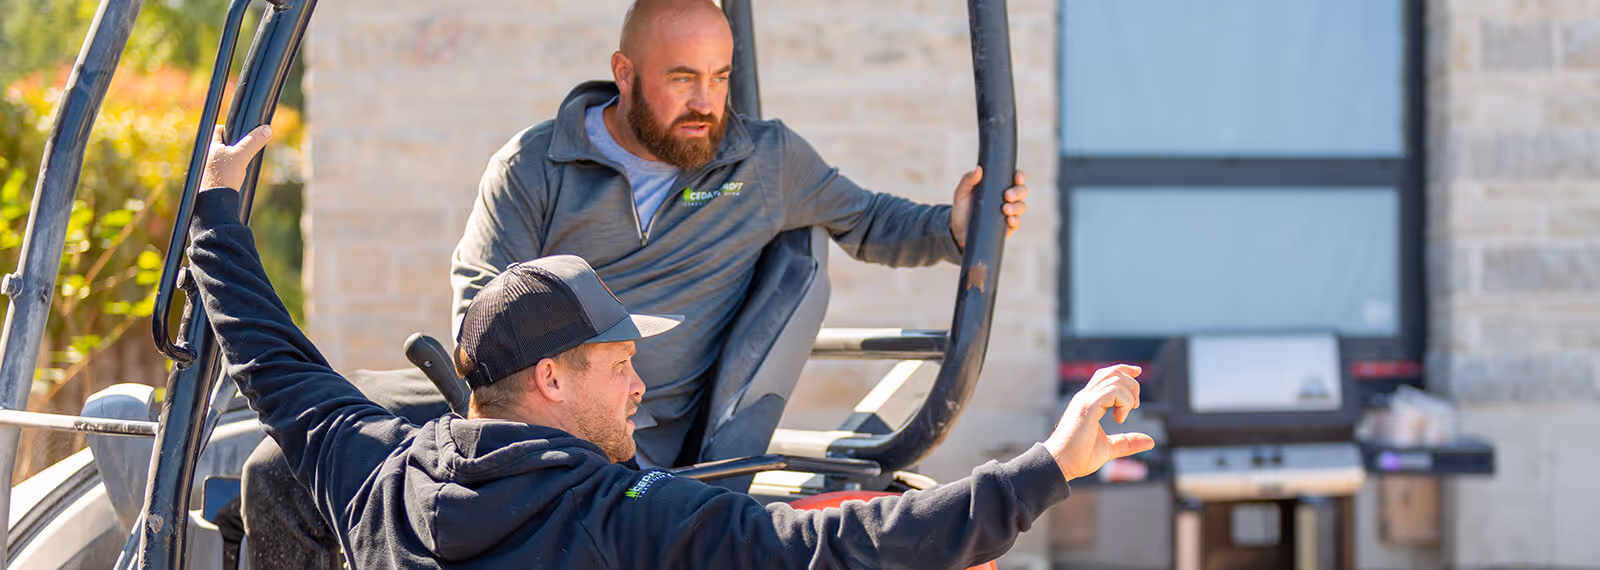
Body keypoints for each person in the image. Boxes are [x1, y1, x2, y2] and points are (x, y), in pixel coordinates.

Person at [244, 0, 1032, 565]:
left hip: (624, 431)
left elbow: (872, 220)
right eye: (683, 77)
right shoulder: (534, 167)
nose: (706, 102)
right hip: (516, 404)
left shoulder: (765, 163)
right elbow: (482, 317)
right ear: (623, 73)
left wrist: (954, 226)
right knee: (276, 465)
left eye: (721, 78)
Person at [194, 126, 1148, 569]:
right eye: (619, 364)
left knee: (277, 460)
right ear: (553, 378)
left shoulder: (376, 468)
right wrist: (1048, 468)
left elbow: (271, 360)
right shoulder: (621, 513)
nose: (641, 385)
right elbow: (835, 540)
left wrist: (216, 212)